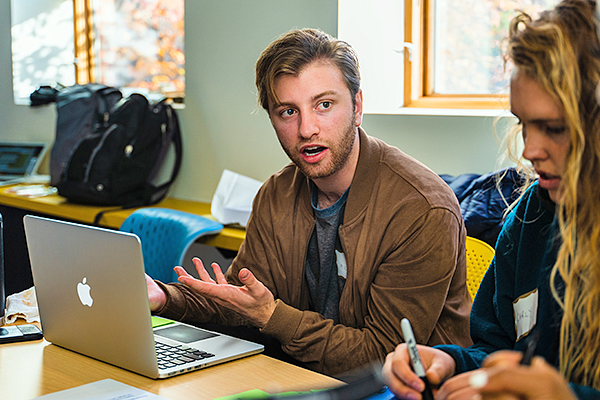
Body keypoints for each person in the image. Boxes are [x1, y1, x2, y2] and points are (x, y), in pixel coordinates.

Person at [146, 28, 472, 376]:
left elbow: (382, 356)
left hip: (403, 389)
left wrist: (272, 316)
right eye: (287, 111)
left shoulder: (421, 208)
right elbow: (243, 302)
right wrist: (164, 298)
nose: (306, 129)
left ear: (357, 107)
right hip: (301, 377)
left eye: (324, 105)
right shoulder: (277, 193)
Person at [382, 0, 600, 398]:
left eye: (553, 127)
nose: (530, 149)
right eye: (523, 124)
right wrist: (450, 363)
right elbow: (496, 351)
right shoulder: (532, 216)